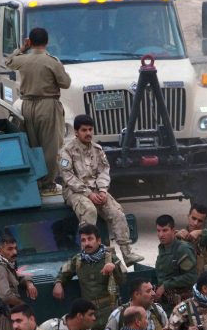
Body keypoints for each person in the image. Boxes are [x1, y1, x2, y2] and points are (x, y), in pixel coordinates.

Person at [58, 114, 144, 266]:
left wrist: (103, 191)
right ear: (76, 132)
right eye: (84, 130)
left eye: (90, 129)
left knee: (117, 212)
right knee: (90, 211)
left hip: (97, 190)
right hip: (75, 191)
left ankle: (127, 253)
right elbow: (68, 177)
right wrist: (89, 193)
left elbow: (104, 171)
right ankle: (87, 254)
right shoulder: (67, 151)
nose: (88, 133)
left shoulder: (97, 150)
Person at [5, 27, 71, 196]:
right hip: (47, 105)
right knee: (50, 147)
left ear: (31, 42)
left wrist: (21, 49)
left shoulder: (23, 60)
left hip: (27, 105)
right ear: (47, 42)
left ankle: (35, 181)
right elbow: (65, 83)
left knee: (32, 145)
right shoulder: (52, 61)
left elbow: (9, 61)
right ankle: (48, 184)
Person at [154, 214, 197, 313]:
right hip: (166, 303)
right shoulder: (163, 248)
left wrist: (165, 285)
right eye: (158, 230)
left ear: (173, 230)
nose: (161, 235)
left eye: (165, 230)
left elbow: (191, 276)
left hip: (182, 305)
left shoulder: (182, 249)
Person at [175, 203, 207, 275]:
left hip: (205, 280)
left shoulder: (206, 236)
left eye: (200, 221)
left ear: (204, 222)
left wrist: (200, 232)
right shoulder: (179, 236)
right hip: (186, 279)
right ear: (188, 216)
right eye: (193, 218)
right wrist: (176, 236)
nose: (195, 223)